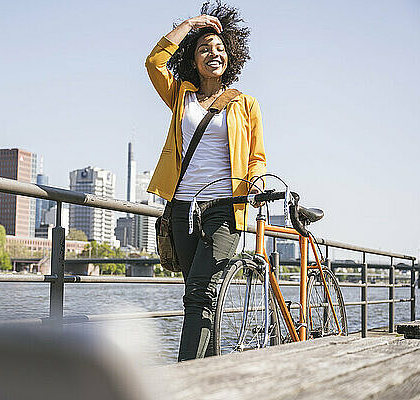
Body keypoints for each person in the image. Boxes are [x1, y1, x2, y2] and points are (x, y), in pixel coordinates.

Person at [145, 3, 267, 361]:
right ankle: (211, 372)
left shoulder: (246, 104)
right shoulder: (180, 95)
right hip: (182, 205)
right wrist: (190, 25)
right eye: (203, 48)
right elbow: (153, 62)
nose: (213, 53)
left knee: (201, 289)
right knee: (196, 293)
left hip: (226, 208)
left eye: (219, 48)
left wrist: (256, 180)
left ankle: (183, 375)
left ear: (231, 56)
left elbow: (256, 157)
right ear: (192, 59)